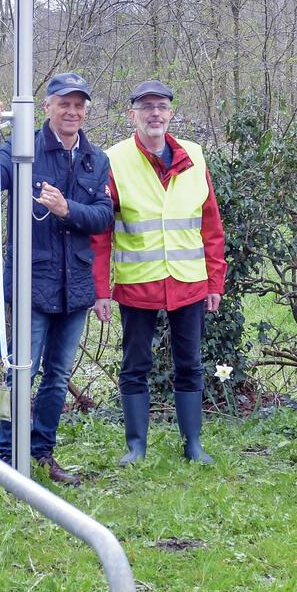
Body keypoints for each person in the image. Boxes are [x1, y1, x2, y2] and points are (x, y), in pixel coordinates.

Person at [0, 72, 114, 485]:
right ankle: (6, 456)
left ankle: (40, 455)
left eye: (79, 105)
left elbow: (104, 217)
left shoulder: (96, 159)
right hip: (31, 285)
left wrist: (66, 209)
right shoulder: (24, 148)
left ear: (85, 111)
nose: (72, 111)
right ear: (48, 106)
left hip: (75, 290)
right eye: (64, 104)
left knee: (57, 377)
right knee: (18, 372)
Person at [92, 80, 226, 466]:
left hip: (189, 282)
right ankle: (136, 446)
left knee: (190, 363)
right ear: (132, 114)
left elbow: (211, 226)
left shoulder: (196, 156)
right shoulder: (113, 160)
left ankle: (193, 445)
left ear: (171, 113)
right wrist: (102, 290)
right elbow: (101, 235)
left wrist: (215, 281)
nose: (155, 113)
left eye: (162, 106)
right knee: (135, 366)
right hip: (139, 283)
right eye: (147, 106)